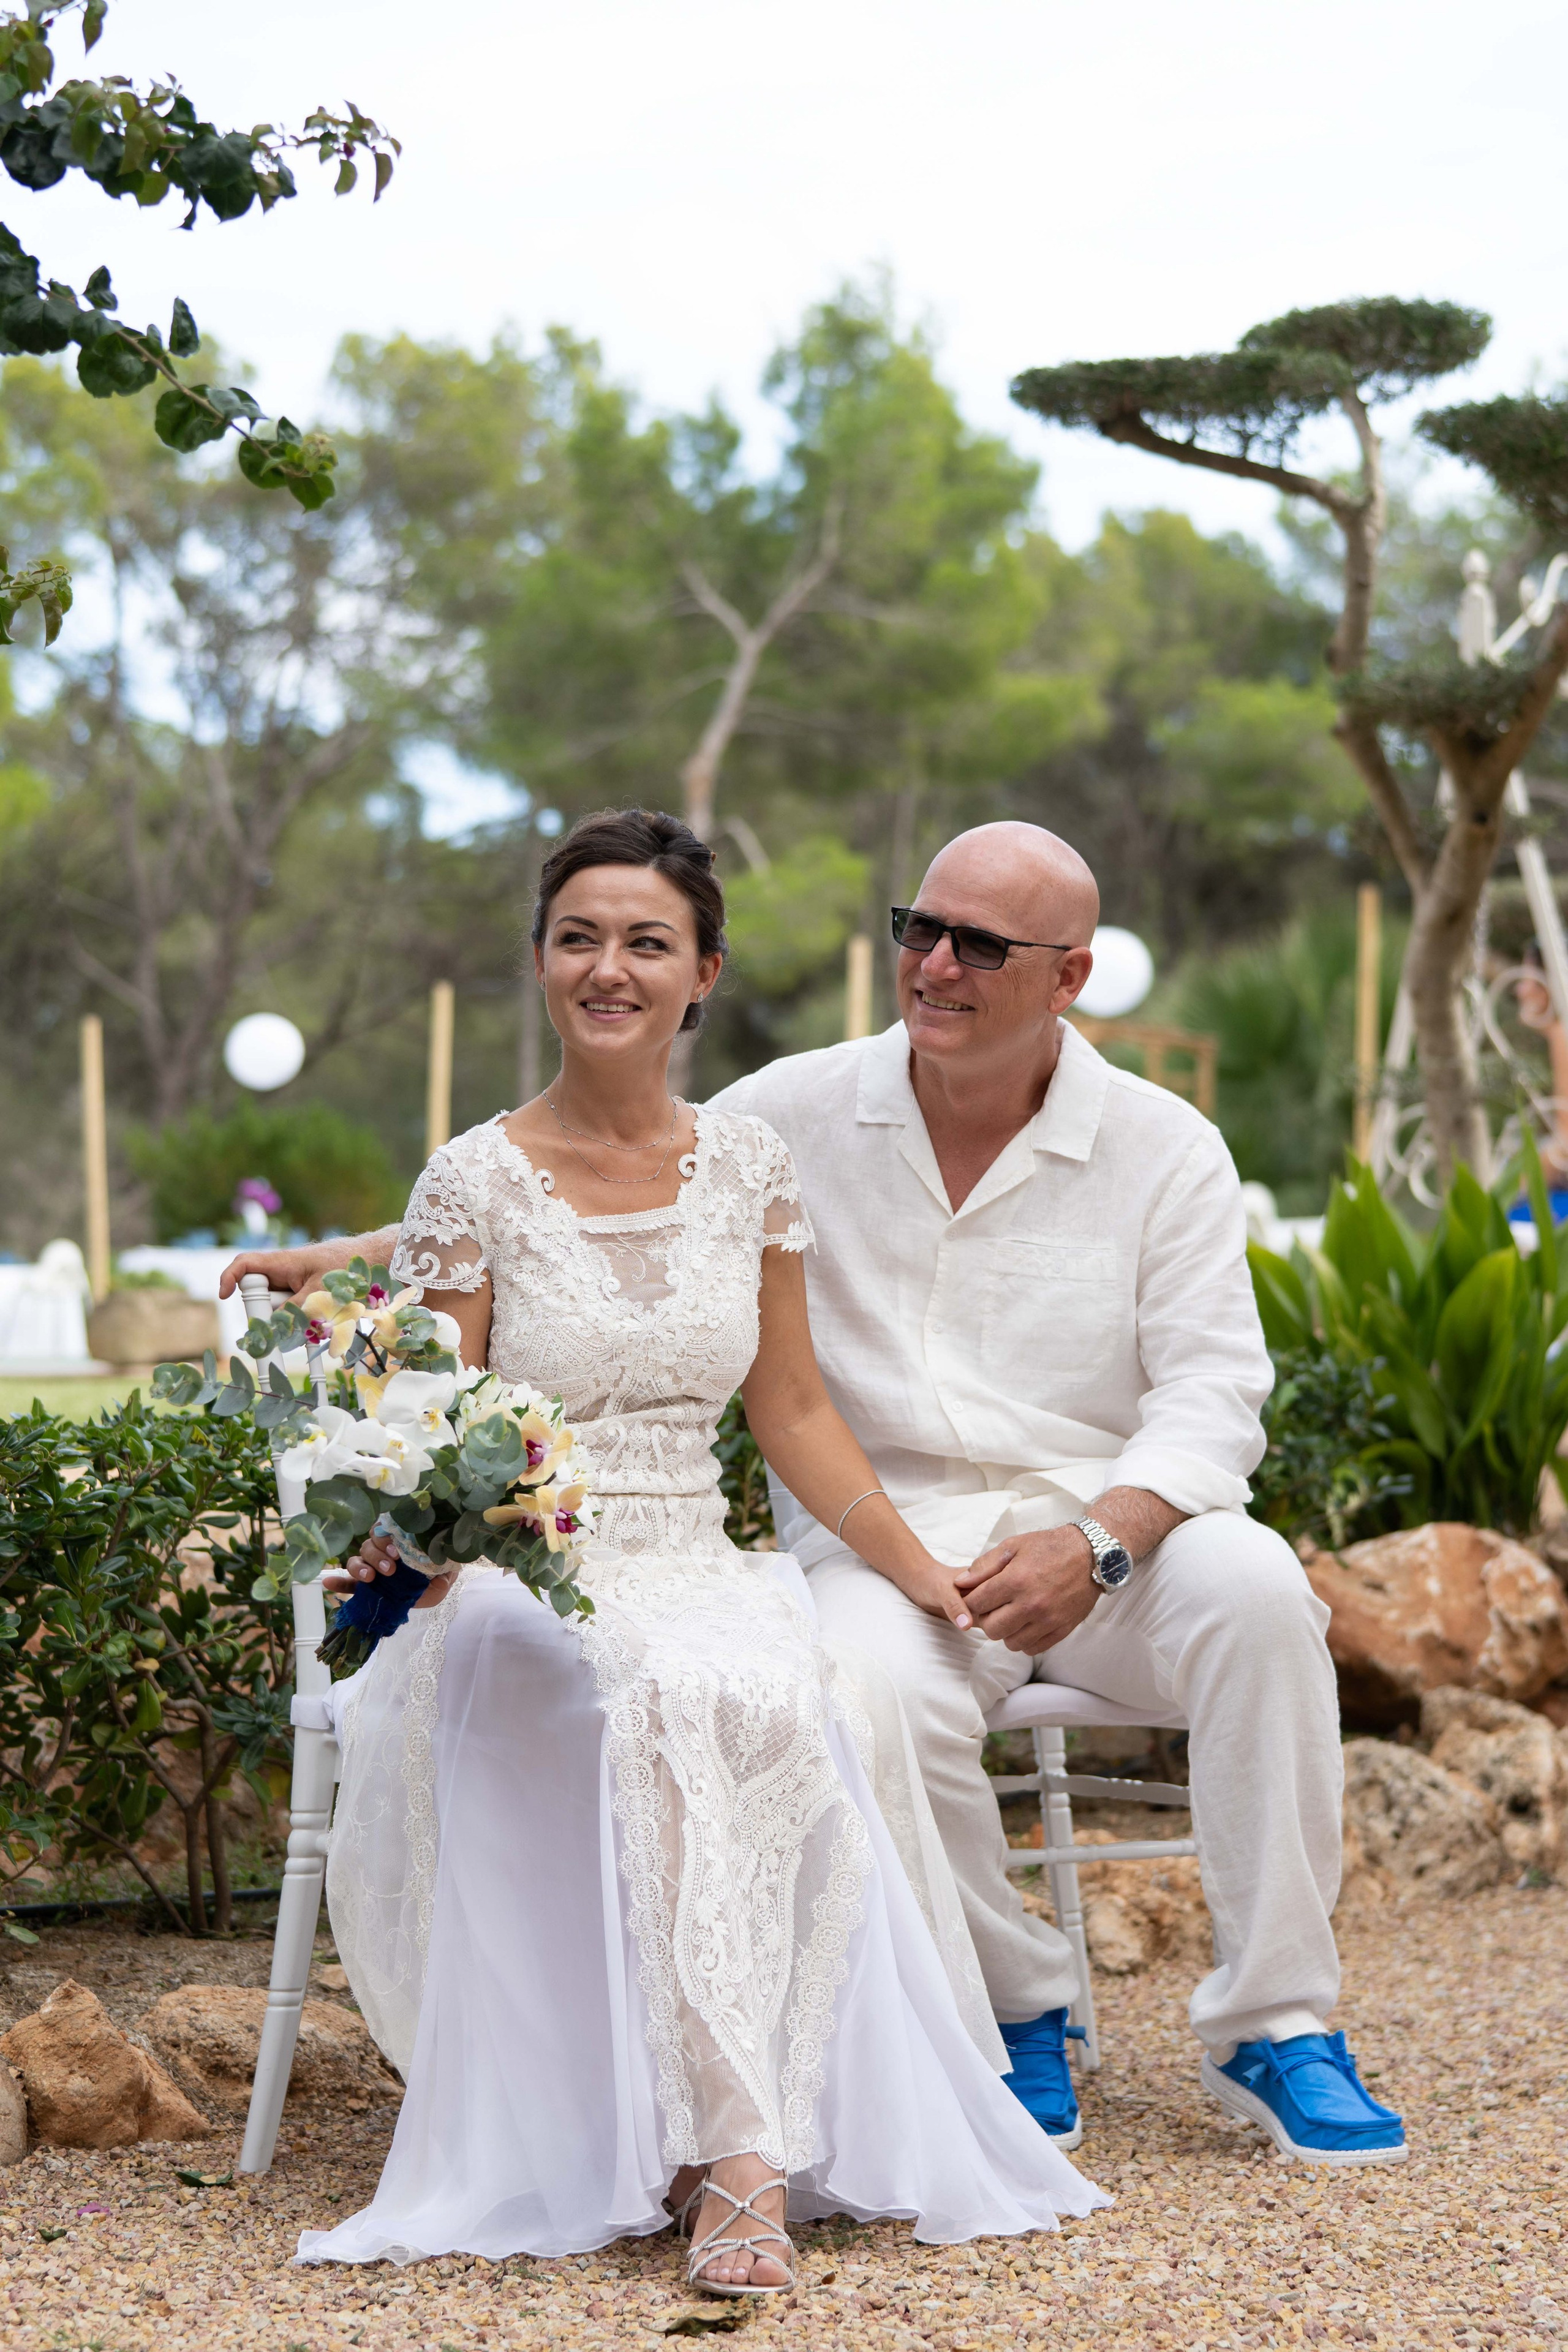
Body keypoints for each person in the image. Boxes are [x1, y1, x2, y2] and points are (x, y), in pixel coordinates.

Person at [230, 818, 1406, 2171]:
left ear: (1066, 977)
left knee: (1263, 1597)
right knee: (859, 1682)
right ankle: (1013, 2006)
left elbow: (1212, 1397)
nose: (936, 966)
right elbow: (592, 1185)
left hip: (1105, 1538)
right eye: (921, 929)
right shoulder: (795, 1112)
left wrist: (1100, 1540)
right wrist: (360, 1252)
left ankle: (1276, 2023)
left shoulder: (1166, 1146)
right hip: (885, 1539)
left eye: (980, 945)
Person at [273, 809, 1103, 2286]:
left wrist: (922, 1575)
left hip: (699, 1554)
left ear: (701, 972)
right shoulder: (470, 1181)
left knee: (795, 1687)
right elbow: (433, 1426)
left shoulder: (749, 1168)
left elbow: (789, 1409)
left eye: (646, 942)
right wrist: (412, 1553)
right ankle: (735, 2156)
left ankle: (734, 2125)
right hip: (515, 1579)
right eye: (579, 937)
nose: (610, 967)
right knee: (659, 1691)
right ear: (539, 960)